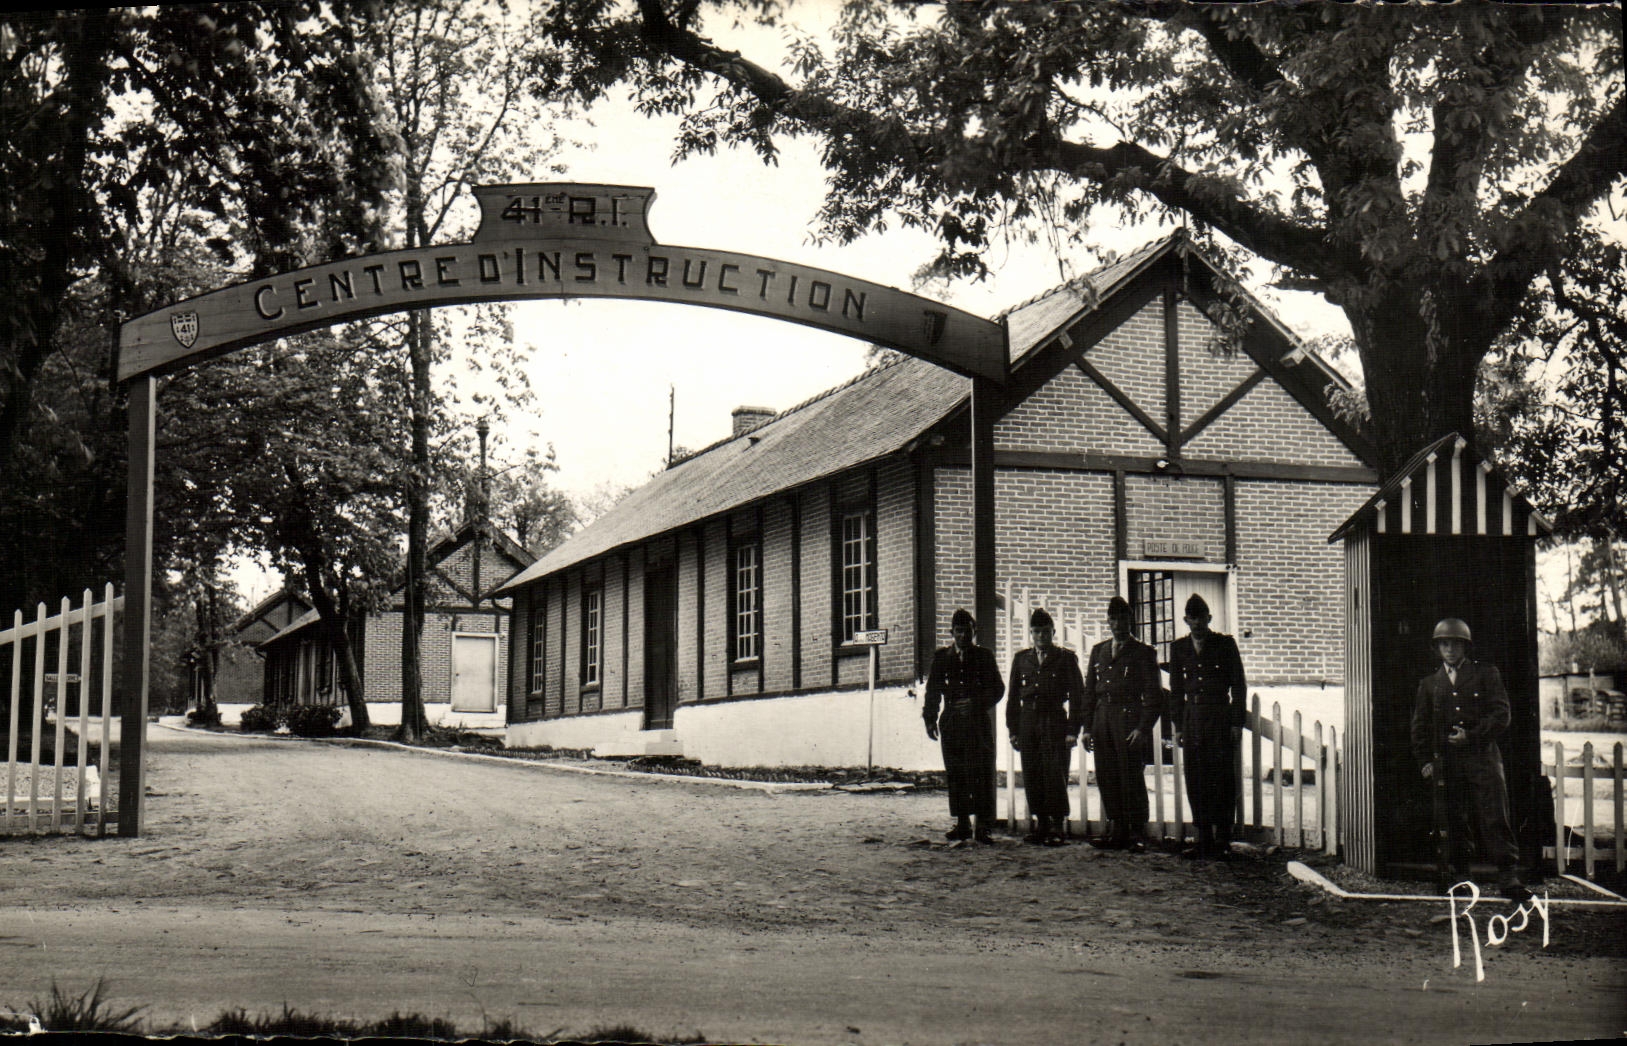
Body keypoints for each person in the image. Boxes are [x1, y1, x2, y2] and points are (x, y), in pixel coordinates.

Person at [1410, 617, 1532, 904]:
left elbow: (1502, 715)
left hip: (1482, 758)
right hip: (1447, 763)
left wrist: (1472, 736)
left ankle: (1508, 876)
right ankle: (1461, 876)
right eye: (1444, 644)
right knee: (1453, 817)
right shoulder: (1429, 684)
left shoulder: (1486, 675)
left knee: (1494, 814)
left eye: (1455, 644)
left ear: (1466, 647)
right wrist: (1425, 761)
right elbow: (1419, 727)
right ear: (1437, 648)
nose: (1450, 649)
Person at [1080, 596, 1163, 852]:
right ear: (1108, 621)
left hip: (1128, 719)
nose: (1118, 624)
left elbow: (1153, 695)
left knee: (1131, 776)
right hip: (1102, 719)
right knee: (1106, 774)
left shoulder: (1143, 653)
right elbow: (1089, 692)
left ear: (1131, 620)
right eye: (1113, 619)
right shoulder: (1099, 651)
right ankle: (1117, 828)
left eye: (1123, 619)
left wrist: (1142, 727)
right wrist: (1086, 728)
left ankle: (1137, 831)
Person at [1167, 593, 1246, 859]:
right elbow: (1176, 691)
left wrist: (1236, 722)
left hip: (1219, 716)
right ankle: (1203, 838)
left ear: (1209, 618)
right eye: (1192, 619)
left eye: (1201, 618)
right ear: (1185, 620)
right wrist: (1178, 726)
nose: (1197, 623)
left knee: (1222, 777)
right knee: (1196, 776)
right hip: (1192, 718)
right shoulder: (1178, 648)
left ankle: (1222, 839)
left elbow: (1239, 686)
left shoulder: (1225, 644)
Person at [923, 608, 1005, 844]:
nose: (963, 636)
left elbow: (998, 689)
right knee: (956, 772)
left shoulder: (984, 656)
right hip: (952, 722)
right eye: (958, 631)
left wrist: (977, 701)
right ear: (952, 632)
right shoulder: (941, 658)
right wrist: (930, 719)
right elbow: (932, 692)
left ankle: (983, 826)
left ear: (974, 631)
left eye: (967, 631)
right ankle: (962, 823)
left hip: (977, 722)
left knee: (981, 771)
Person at [1006, 608, 1084, 846]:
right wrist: (1013, 730)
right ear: (1031, 633)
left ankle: (1058, 826)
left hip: (1054, 720)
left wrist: (1072, 730)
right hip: (1028, 721)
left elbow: (1078, 697)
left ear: (1053, 632)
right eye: (1036, 631)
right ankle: (1041, 824)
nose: (1041, 636)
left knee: (1055, 772)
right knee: (1032, 772)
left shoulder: (1065, 658)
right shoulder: (1021, 659)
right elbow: (1013, 698)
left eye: (1045, 631)